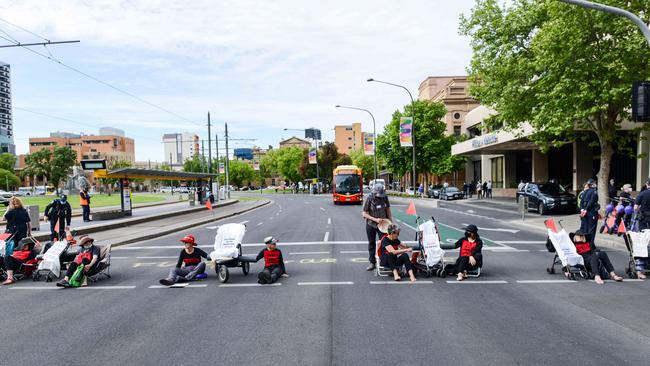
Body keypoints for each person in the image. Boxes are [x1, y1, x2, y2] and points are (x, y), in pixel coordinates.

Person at [362, 184, 392, 271]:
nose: (380, 197)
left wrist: (390, 222)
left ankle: (384, 262)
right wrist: (375, 219)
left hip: (383, 225)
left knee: (384, 243)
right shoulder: (369, 198)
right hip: (371, 224)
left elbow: (388, 210)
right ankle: (372, 262)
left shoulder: (385, 197)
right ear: (374, 192)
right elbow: (364, 214)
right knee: (371, 243)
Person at [579, 179, 599, 245]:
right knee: (592, 229)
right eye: (595, 183)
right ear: (592, 184)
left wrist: (582, 209)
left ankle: (585, 244)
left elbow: (581, 202)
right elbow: (592, 201)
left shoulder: (585, 191)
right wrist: (586, 209)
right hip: (591, 212)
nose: (596, 184)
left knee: (585, 228)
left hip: (585, 212)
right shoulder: (594, 192)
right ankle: (591, 244)